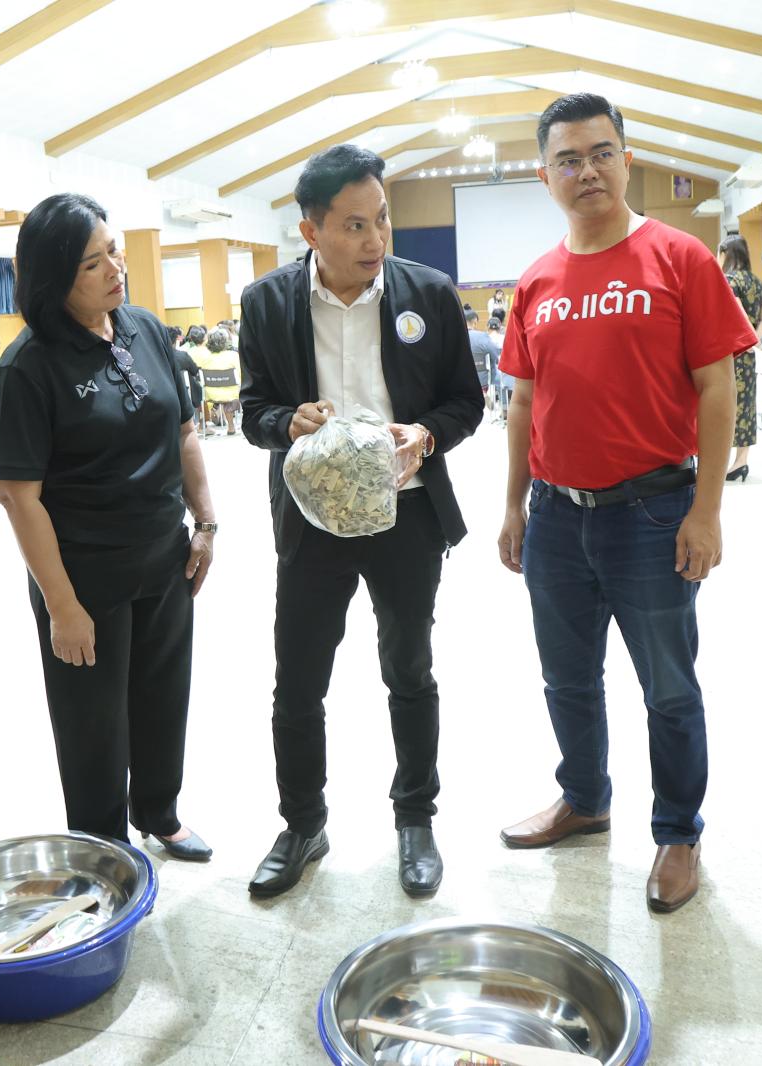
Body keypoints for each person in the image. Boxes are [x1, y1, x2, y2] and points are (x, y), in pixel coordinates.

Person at [496, 93, 754, 915]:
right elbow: (523, 402)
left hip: (651, 512)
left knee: (669, 687)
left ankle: (678, 832)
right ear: (545, 176)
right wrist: (514, 506)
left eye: (601, 153)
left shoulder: (680, 258)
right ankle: (584, 799)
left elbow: (718, 388)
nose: (587, 171)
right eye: (568, 159)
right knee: (567, 679)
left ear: (627, 159)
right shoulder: (536, 280)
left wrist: (707, 510)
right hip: (555, 517)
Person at [239, 144, 483, 900]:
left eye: (382, 219)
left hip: (406, 518)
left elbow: (465, 402)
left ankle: (415, 819)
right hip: (311, 521)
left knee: (408, 670)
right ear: (310, 230)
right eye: (354, 225)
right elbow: (251, 411)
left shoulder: (428, 294)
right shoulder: (267, 303)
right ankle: (302, 824)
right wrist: (286, 422)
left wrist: (425, 435)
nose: (375, 239)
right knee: (297, 680)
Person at [0, 193, 215, 862]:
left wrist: (205, 522)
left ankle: (159, 812)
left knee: (164, 697)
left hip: (165, 557)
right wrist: (62, 606)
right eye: (93, 263)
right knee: (93, 724)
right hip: (84, 575)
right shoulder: (28, 368)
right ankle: (103, 849)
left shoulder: (144, 328)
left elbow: (185, 430)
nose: (116, 269)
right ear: (54, 278)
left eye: (114, 251)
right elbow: (18, 497)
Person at [717, 235, 762, 480]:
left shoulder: (729, 279)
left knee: (724, 403)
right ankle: (741, 461)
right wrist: (754, 341)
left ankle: (721, 462)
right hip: (748, 354)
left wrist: (745, 340)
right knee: (747, 404)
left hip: (730, 351)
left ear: (726, 253)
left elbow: (736, 311)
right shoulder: (758, 282)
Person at [195, 326, 242, 435]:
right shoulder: (233, 355)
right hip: (231, 394)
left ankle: (212, 414)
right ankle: (231, 426)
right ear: (225, 342)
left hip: (210, 394)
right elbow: (240, 374)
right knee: (230, 392)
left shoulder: (204, 357)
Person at [465, 307, 499, 399]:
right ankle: (485, 394)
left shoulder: (453, 337)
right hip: (480, 381)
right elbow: (495, 355)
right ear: (475, 321)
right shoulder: (482, 336)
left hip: (459, 382)